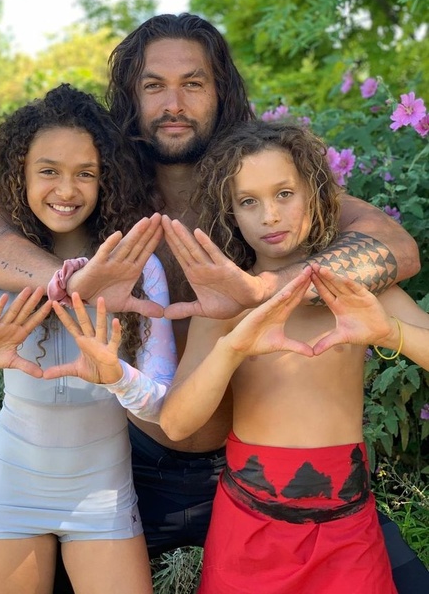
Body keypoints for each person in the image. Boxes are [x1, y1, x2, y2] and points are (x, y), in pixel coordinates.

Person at [0, 14, 425, 593]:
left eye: (193, 83)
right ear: (130, 96)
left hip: (255, 465)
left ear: (222, 92)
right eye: (154, 85)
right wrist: (76, 281)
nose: (173, 103)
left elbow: (395, 246)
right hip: (130, 462)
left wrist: (264, 290)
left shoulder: (257, 180)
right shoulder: (98, 181)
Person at [159, 120, 429, 594]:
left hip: (348, 529)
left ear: (315, 194)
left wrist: (392, 333)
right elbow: (177, 424)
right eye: (249, 201)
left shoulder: (356, 289)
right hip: (248, 529)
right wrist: (233, 347)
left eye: (284, 194)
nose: (270, 216)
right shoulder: (227, 305)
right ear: (231, 213)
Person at [0, 83, 178, 594]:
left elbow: (163, 404)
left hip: (103, 498)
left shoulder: (136, 269)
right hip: (10, 491)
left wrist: (117, 377)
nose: (66, 190)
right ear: (19, 174)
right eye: (48, 171)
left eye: (85, 173)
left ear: (106, 178)